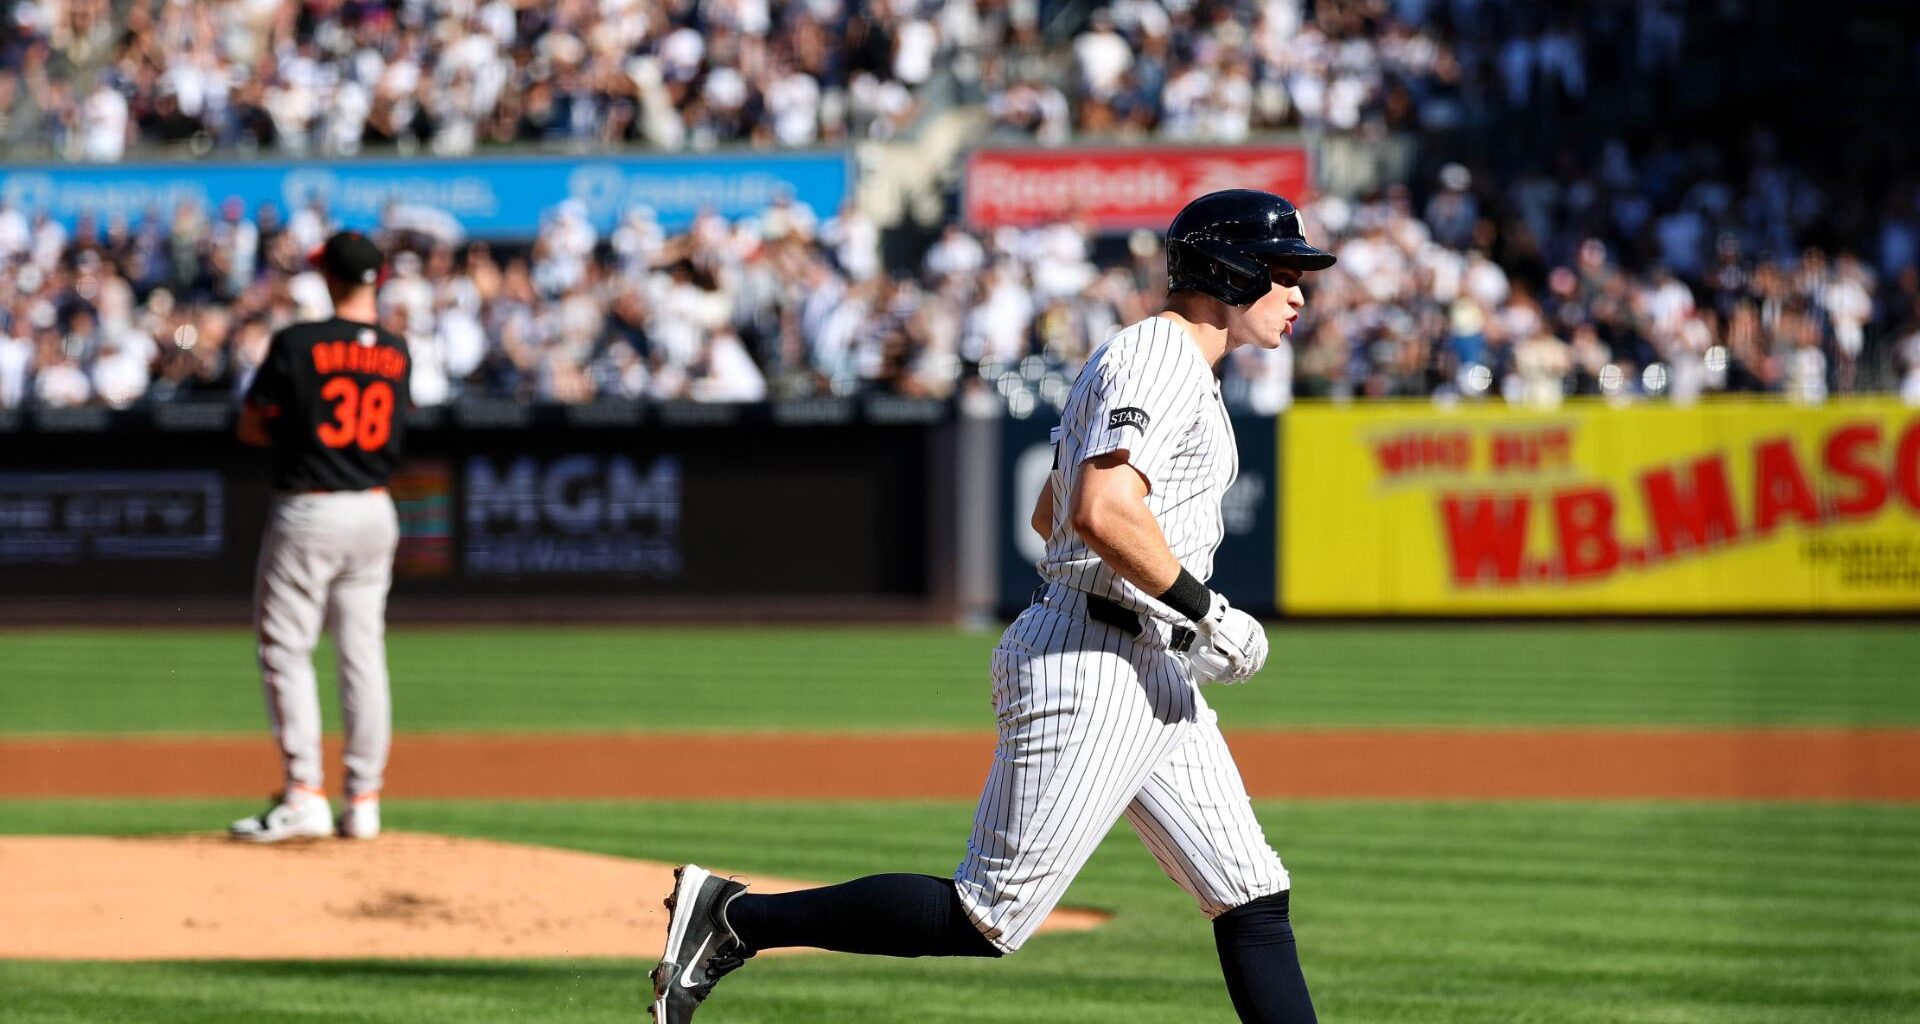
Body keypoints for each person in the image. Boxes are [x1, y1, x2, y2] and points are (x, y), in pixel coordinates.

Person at [649, 190, 1332, 1023]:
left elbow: (1052, 512)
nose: (1300, 291)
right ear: (1230, 271)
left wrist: (1168, 609)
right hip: (1093, 662)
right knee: (988, 913)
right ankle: (736, 918)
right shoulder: (1159, 356)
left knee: (1251, 894)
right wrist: (1204, 609)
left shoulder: (1177, 367)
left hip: (1141, 659)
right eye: (1286, 271)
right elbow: (1099, 512)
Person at [228, 231, 410, 843]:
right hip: (375, 509)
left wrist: (293, 436)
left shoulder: (297, 342)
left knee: (285, 649)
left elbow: (251, 426)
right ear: (376, 281)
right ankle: (363, 801)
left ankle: (304, 791)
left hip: (311, 507)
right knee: (363, 654)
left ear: (331, 277)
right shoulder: (396, 350)